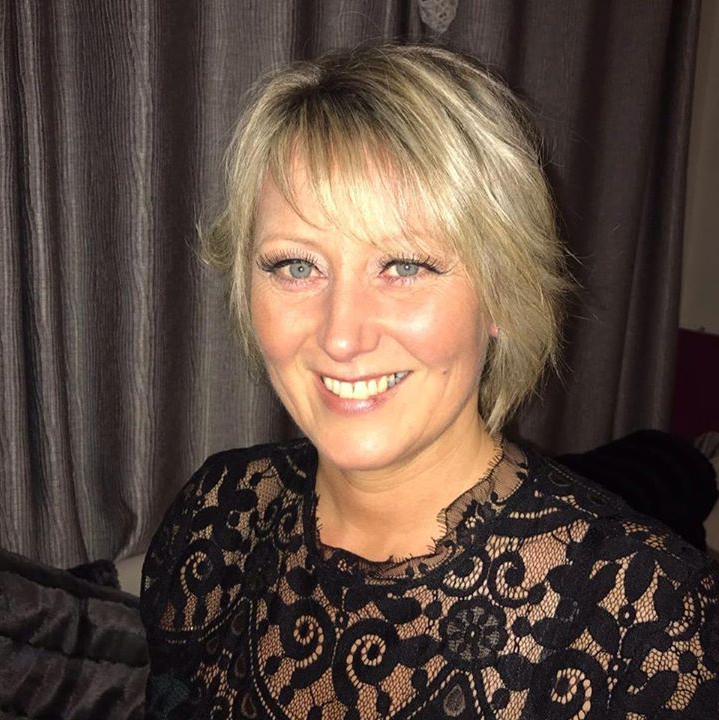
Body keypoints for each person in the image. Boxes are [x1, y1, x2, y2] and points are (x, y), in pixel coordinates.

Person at [140, 44, 719, 719]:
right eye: (297, 266)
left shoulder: (648, 623)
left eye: (405, 265)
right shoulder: (218, 513)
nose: (341, 336)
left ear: (503, 294)